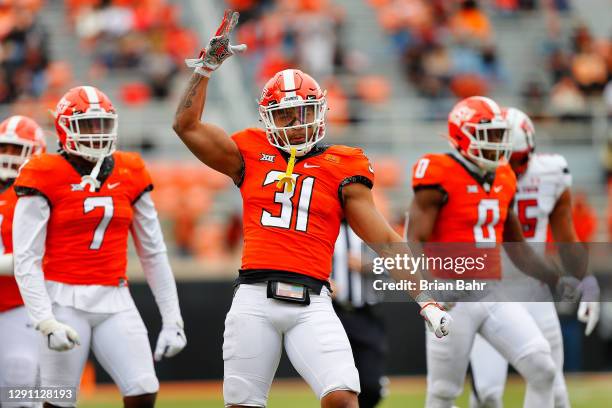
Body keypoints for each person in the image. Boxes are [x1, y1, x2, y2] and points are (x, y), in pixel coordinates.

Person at [173, 9, 451, 408]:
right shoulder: (249, 152)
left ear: (319, 112)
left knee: (342, 397)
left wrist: (425, 297)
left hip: (314, 299)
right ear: (268, 117)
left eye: (302, 113)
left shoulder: (343, 164)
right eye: (284, 114)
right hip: (253, 297)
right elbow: (186, 126)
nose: (295, 123)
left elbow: (385, 239)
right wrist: (205, 68)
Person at [13, 85, 186, 408]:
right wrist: (45, 319)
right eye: (88, 125)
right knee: (58, 398)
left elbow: (153, 252)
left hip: (115, 297)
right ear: (65, 128)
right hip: (62, 298)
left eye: (102, 124)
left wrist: (172, 319)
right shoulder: (43, 172)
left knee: (143, 388)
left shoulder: (130, 168)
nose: (97, 133)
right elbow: (27, 258)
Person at [407, 95, 570, 408]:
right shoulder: (438, 171)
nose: (496, 142)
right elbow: (413, 238)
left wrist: (552, 276)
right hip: (452, 298)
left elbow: (517, 246)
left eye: (499, 134)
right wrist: (427, 294)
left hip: (493, 294)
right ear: (461, 135)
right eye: (488, 134)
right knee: (443, 392)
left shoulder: (504, 175)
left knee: (543, 368)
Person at [469, 107, 600, 408]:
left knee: (554, 389)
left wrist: (587, 281)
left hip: (533, 290)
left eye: (519, 160)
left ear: (532, 150)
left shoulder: (552, 172)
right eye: (506, 160)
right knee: (487, 393)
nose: (513, 169)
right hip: (489, 291)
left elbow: (566, 237)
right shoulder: (473, 176)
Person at [0, 115, 46, 408]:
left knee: (21, 389)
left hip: (21, 307)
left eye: (18, 150)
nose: (8, 156)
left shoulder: (41, 195)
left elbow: (42, 257)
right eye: (5, 147)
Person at [331, 220, 387, 408]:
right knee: (337, 386)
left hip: (366, 315)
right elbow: (305, 260)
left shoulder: (371, 228)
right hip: (334, 314)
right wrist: (322, 281)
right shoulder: (325, 227)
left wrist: (371, 264)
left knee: (371, 385)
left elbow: (399, 264)